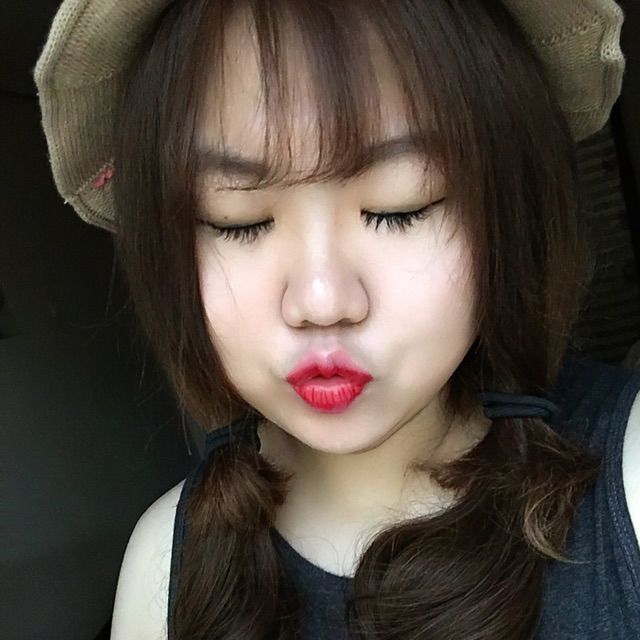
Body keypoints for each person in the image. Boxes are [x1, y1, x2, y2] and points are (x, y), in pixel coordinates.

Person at [33, 0, 640, 638]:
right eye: (236, 220)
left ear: (507, 213)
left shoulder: (627, 479)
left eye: (400, 206)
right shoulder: (164, 565)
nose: (321, 302)